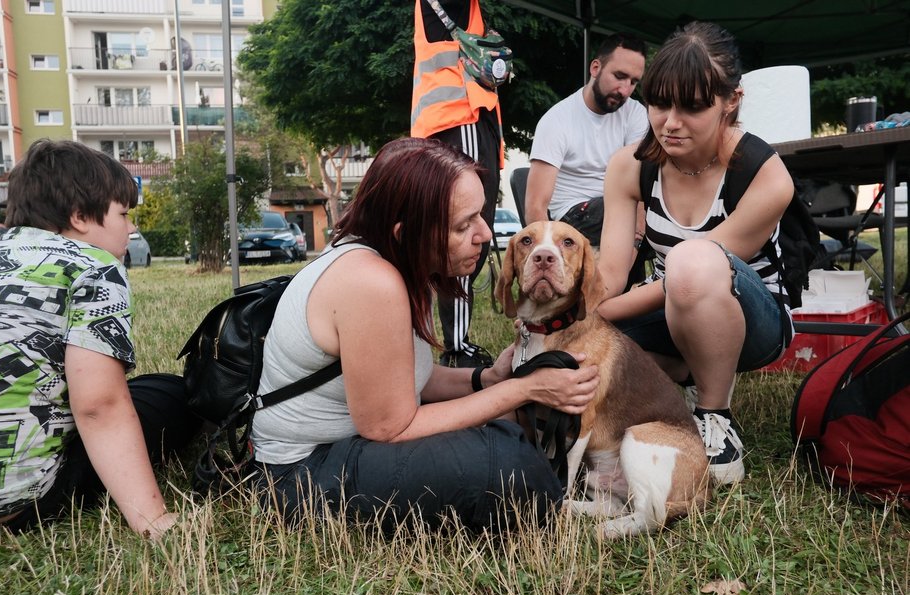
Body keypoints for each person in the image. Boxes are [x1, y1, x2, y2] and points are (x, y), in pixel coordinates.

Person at [249, 137, 600, 532]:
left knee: (505, 428)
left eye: (480, 215)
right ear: (406, 232)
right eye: (463, 225)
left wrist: (487, 379)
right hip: (299, 476)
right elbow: (389, 426)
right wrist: (525, 389)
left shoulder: (388, 262)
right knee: (505, 465)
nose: (484, 234)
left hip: (332, 454)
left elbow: (408, 376)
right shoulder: (372, 283)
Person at [0, 140, 196, 538]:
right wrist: (154, 520)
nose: (132, 227)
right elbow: (99, 407)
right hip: (14, 502)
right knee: (172, 394)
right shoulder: (94, 267)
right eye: (123, 214)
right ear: (80, 216)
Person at [597, 22, 795, 486]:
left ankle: (714, 415)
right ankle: (677, 374)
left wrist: (602, 312)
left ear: (732, 102)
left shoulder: (765, 175)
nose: (670, 122)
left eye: (693, 107)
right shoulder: (630, 167)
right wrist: (567, 316)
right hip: (673, 309)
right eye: (659, 103)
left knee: (691, 261)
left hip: (752, 323)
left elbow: (686, 275)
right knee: (577, 347)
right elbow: (609, 271)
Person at [412, 0, 503, 369]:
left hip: (451, 119)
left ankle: (441, 342)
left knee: (448, 236)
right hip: (459, 116)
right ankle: (456, 346)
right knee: (466, 235)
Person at [524, 32, 648, 249]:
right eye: (619, 76)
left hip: (619, 205)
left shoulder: (635, 113)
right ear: (595, 68)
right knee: (620, 207)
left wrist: (637, 238)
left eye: (633, 82)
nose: (625, 90)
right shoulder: (557, 120)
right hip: (572, 216)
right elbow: (535, 207)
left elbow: (638, 176)